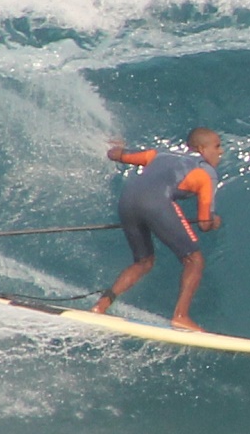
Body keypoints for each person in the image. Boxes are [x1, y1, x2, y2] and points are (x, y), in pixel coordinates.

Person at [94, 127, 224, 329]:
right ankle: (181, 316)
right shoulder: (206, 173)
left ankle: (100, 306)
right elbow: (205, 223)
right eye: (217, 146)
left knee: (143, 262)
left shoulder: (158, 155)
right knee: (194, 260)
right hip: (156, 203)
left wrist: (117, 147)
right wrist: (214, 221)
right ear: (201, 148)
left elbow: (117, 156)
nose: (221, 151)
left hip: (127, 199)